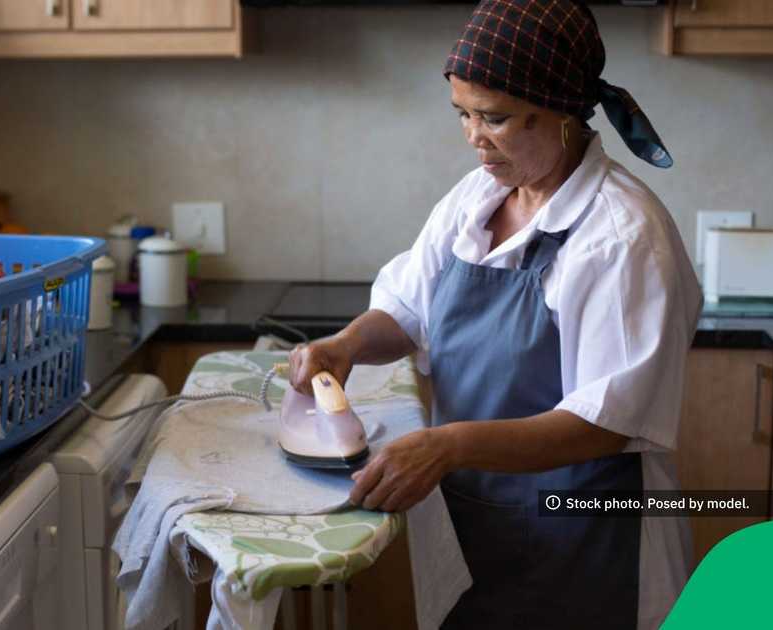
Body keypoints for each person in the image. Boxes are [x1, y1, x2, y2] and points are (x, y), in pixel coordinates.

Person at [287, 1, 701, 628]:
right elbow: (407, 309)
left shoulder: (620, 237)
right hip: (483, 527)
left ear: (561, 112)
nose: (474, 136)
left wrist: (448, 446)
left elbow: (603, 424)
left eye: (495, 118)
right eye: (463, 114)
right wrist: (345, 344)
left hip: (590, 548)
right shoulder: (479, 196)